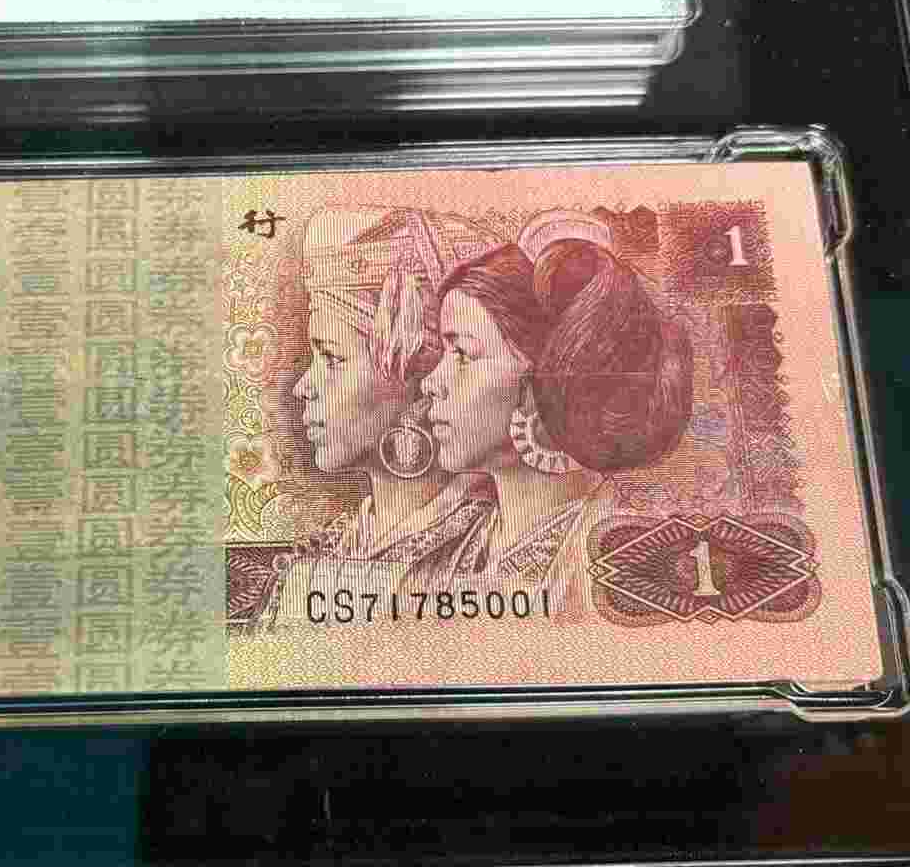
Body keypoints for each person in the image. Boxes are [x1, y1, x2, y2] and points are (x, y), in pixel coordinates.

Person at [418, 209, 693, 611]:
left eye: (462, 353)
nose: (430, 383)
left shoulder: (620, 557)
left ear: (545, 380)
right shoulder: (444, 551)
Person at [261, 207, 501, 622]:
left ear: (419, 380)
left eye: (332, 357)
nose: (303, 387)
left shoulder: (491, 551)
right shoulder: (330, 551)